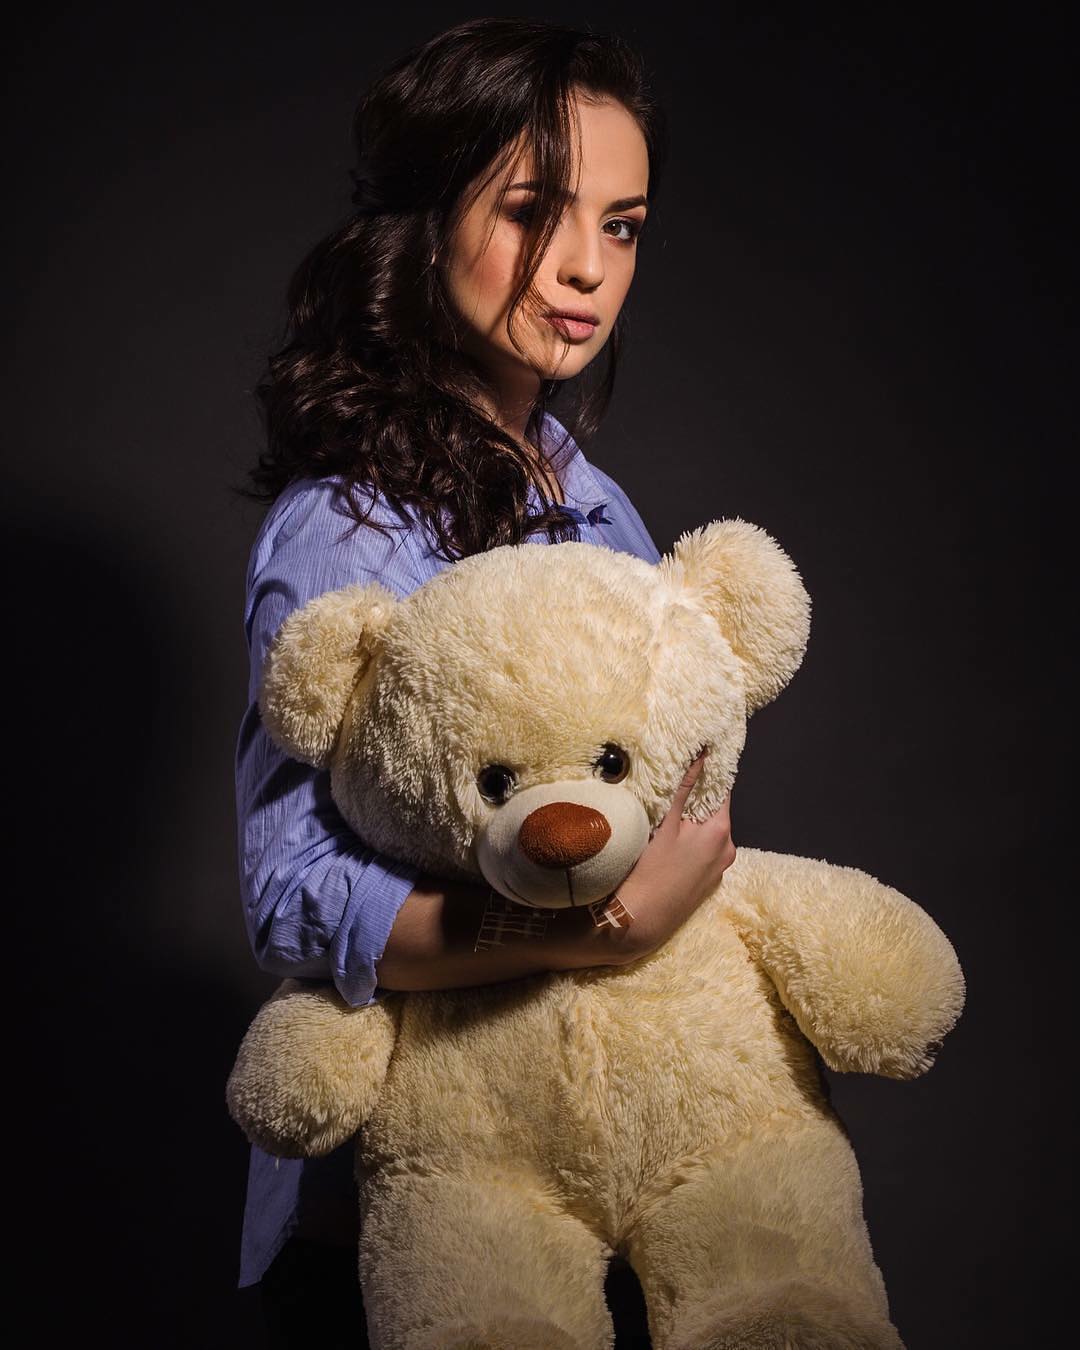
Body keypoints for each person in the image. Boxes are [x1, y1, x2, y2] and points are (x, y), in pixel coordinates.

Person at [231, 17, 737, 1347]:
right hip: (402, 1214)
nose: (583, 266)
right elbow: (290, 898)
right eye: (531, 209)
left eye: (621, 225)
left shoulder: (604, 510)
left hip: (605, 1175)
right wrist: (594, 928)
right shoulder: (348, 522)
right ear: (425, 212)